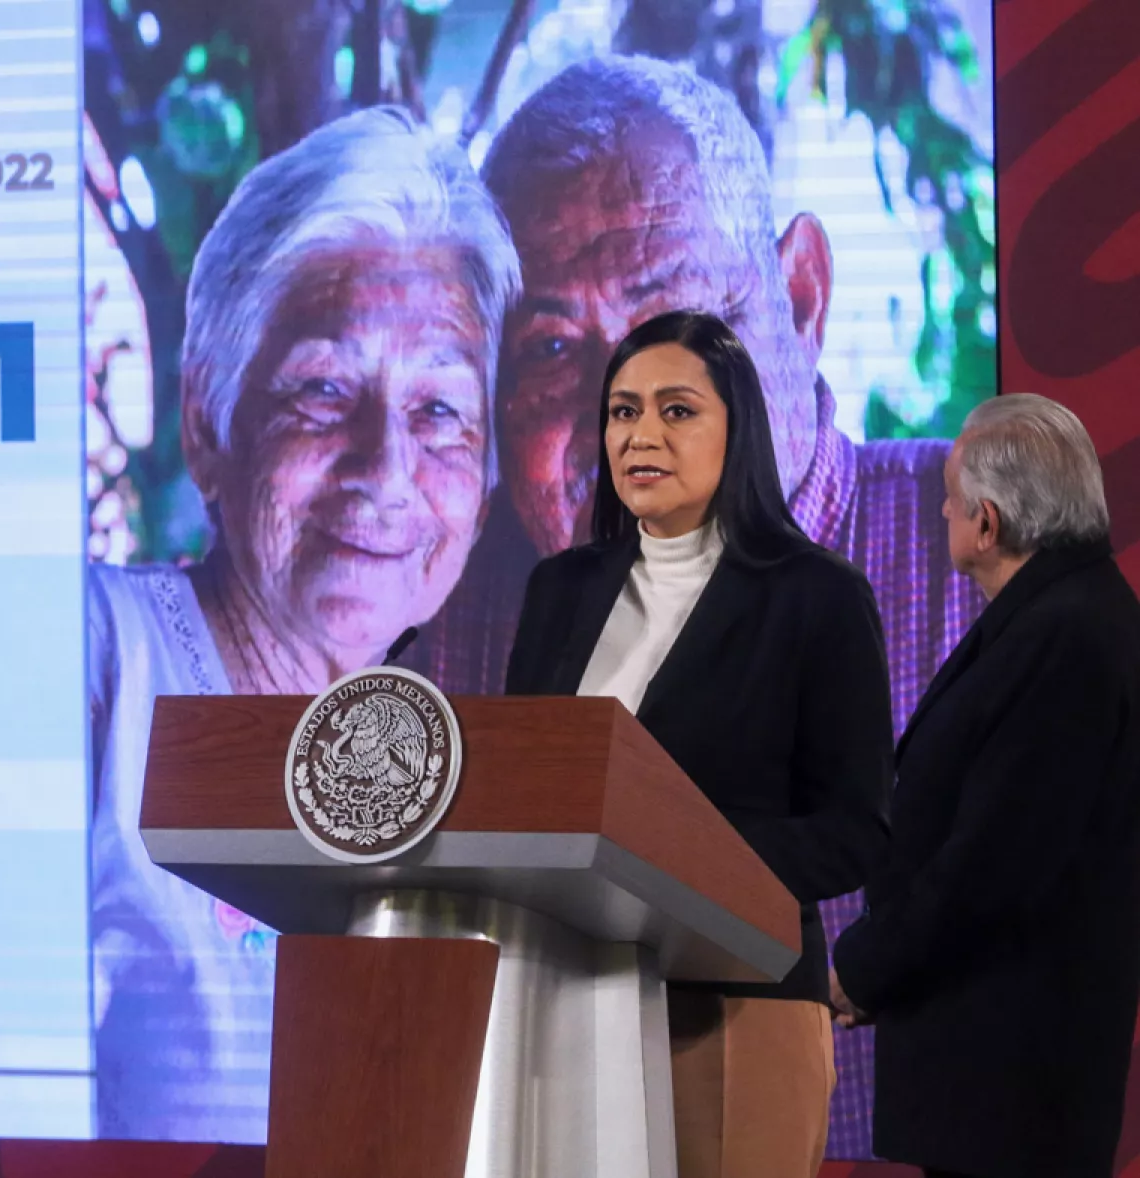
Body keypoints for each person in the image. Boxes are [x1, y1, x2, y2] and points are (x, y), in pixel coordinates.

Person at [402, 56, 983, 1151]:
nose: (622, 415)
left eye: (677, 334)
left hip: (767, 1057)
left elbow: (862, 830)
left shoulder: (968, 575)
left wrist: (671, 863)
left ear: (800, 297)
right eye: (552, 349)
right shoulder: (475, 609)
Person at [87, 106, 521, 1142]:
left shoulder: (451, 771)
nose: (386, 471)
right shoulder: (98, 664)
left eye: (440, 411)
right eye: (324, 389)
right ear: (208, 427)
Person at [505, 310, 893, 1178]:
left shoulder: (817, 598)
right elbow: (522, 788)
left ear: (737, 429)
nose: (641, 434)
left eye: (676, 410)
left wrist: (671, 855)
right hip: (564, 998)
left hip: (734, 1004)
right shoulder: (560, 589)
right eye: (622, 411)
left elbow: (855, 831)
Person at [830, 395, 1140, 1178]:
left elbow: (993, 865)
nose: (939, 509)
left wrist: (865, 967)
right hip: (998, 1076)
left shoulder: (1068, 636)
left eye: (951, 495)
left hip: (1014, 1088)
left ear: (989, 523)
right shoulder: (1059, 617)